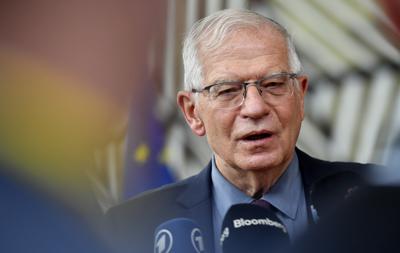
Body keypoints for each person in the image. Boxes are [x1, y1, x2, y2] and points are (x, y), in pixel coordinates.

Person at [106, 9, 379, 253]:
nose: (255, 108)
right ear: (192, 113)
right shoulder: (131, 226)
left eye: (274, 84)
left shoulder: (379, 198)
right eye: (227, 91)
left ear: (301, 95)